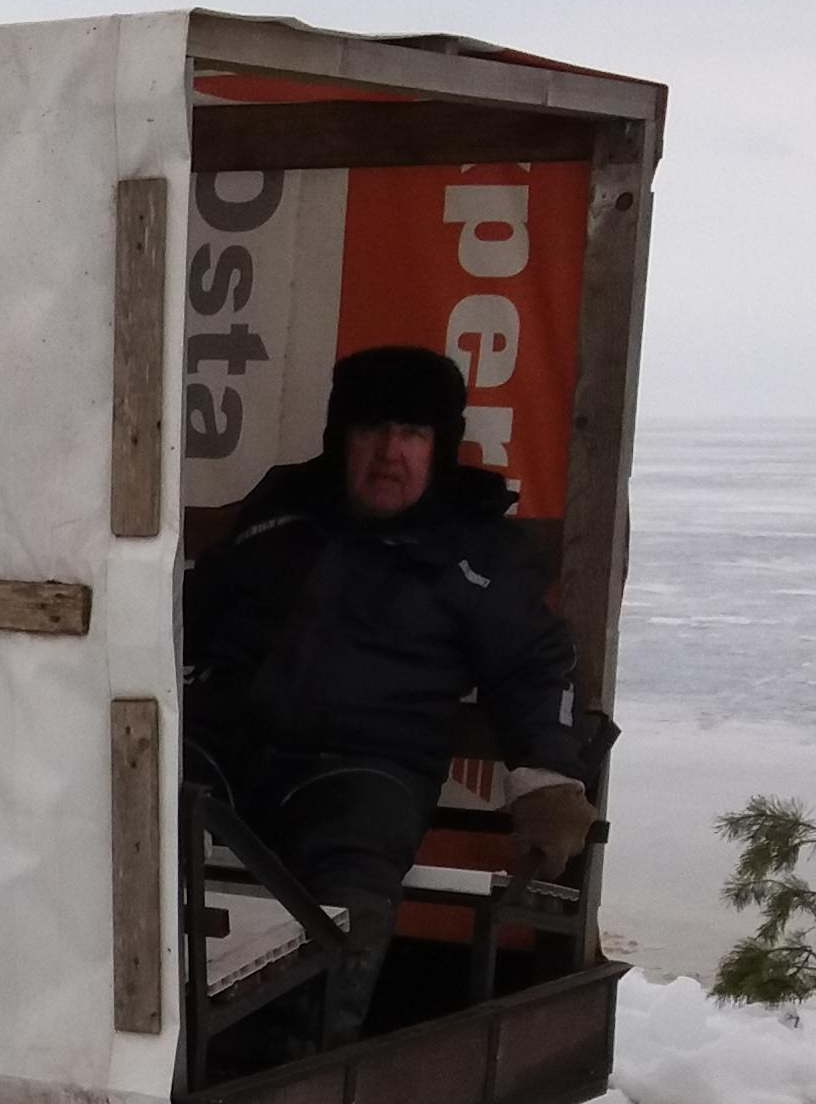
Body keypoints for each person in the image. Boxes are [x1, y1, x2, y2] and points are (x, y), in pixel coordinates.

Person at [182, 344, 593, 1044]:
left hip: (361, 769)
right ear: (340, 438)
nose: (388, 453)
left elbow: (534, 666)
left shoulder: (475, 548)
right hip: (221, 748)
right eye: (370, 431)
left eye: (412, 434)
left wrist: (549, 779)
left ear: (440, 446)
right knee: (134, 834)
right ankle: (137, 1062)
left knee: (344, 890)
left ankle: (295, 1086)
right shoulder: (283, 512)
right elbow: (187, 615)